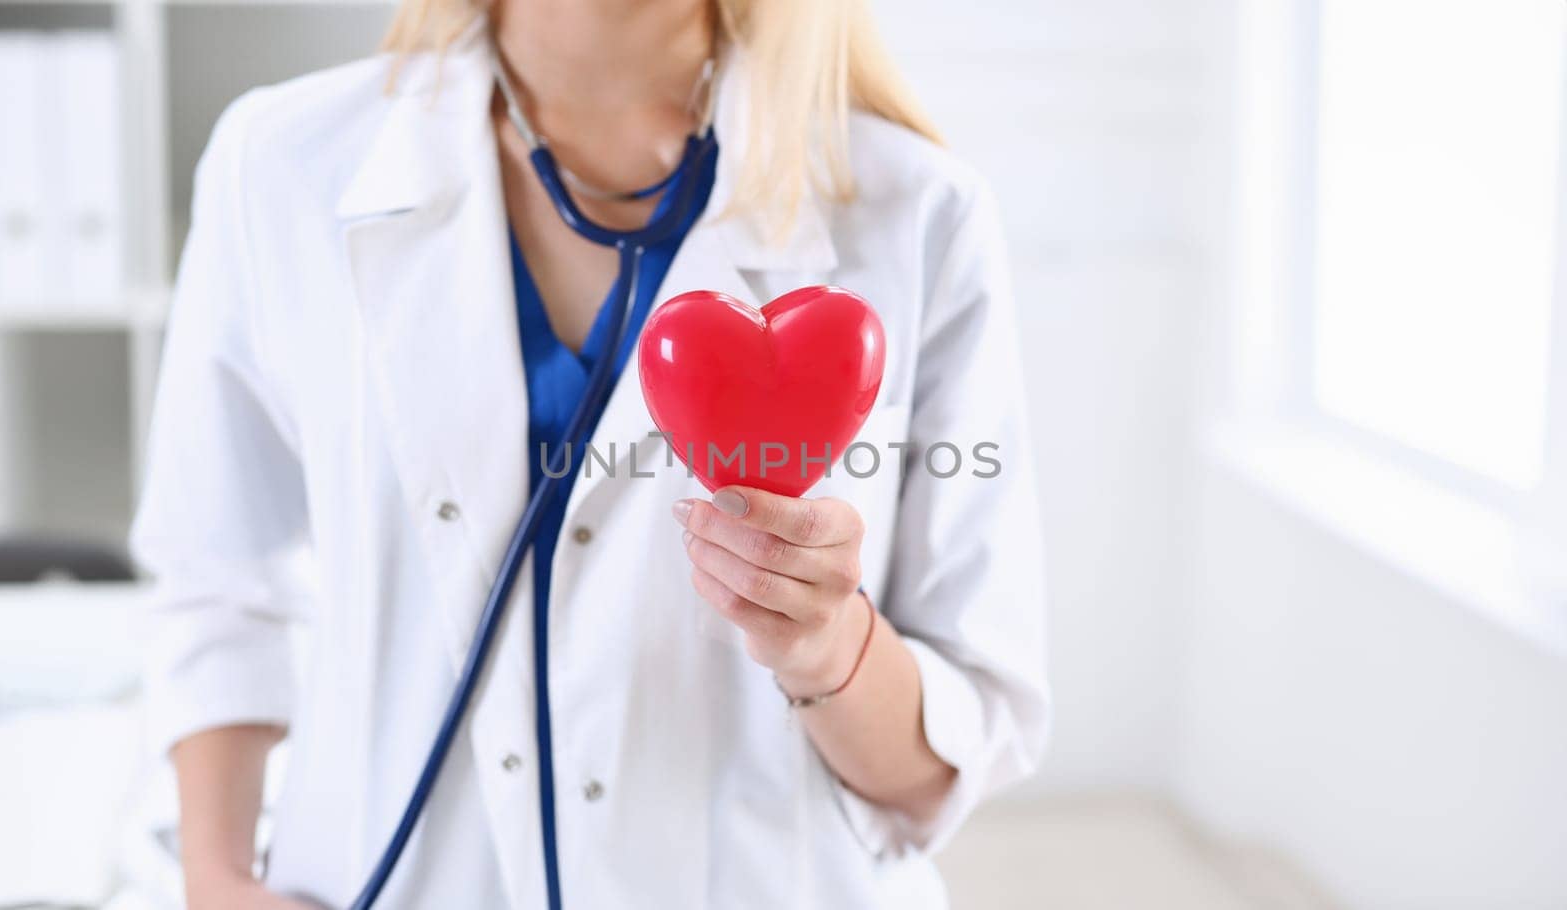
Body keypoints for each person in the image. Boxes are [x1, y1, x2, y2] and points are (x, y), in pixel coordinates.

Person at [130, 0, 1050, 907]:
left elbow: (945, 765)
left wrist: (826, 645)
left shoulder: (919, 211)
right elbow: (217, 582)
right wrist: (217, 882)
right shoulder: (283, 164)